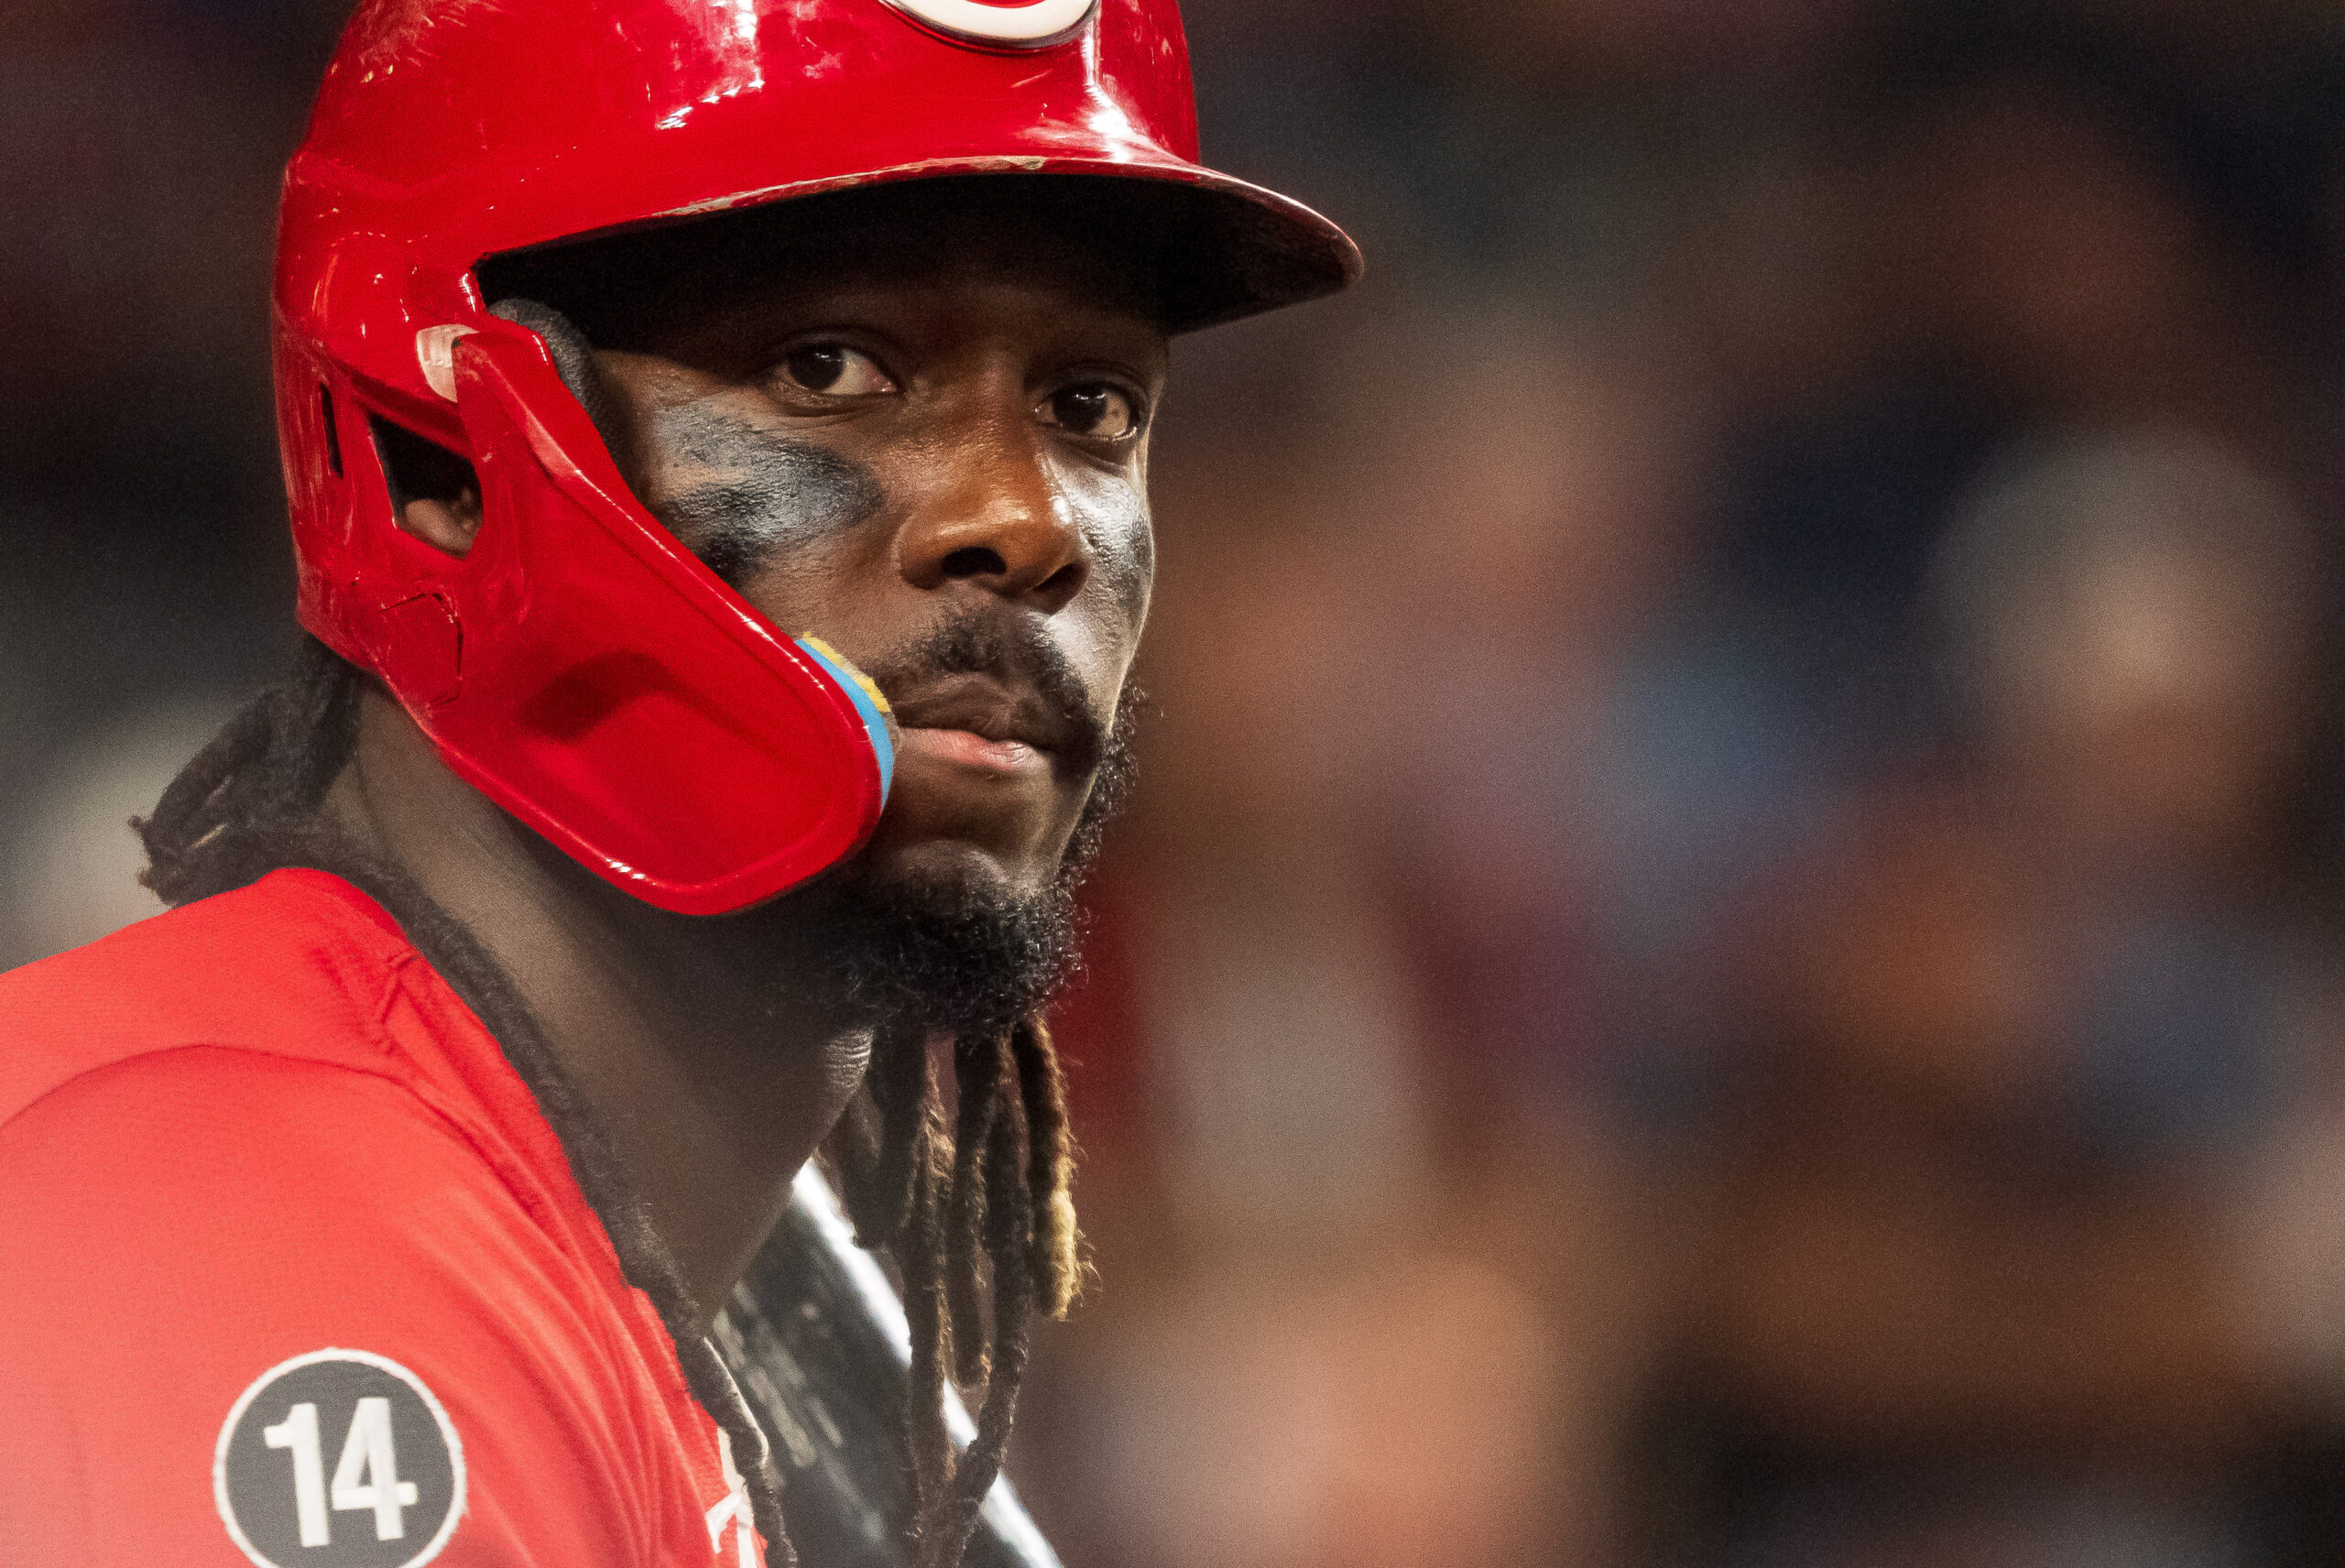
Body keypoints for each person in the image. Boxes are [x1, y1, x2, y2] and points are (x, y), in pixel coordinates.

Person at [0, 3, 1358, 1564]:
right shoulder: (246, 1229)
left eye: (1091, 407)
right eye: (832, 365)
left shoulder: (558, 1247)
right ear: (436, 465)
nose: (1025, 518)